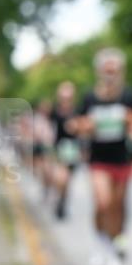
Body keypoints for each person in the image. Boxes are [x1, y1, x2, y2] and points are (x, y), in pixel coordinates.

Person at [71, 48, 132, 265]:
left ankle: (116, 243)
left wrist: (131, 122)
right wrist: (86, 125)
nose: (111, 75)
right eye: (107, 70)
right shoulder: (90, 97)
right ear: (99, 71)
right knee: (103, 202)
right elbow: (75, 124)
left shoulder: (128, 95)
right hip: (98, 159)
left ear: (121, 71)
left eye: (114, 71)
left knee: (118, 206)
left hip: (123, 159)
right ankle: (101, 243)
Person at [50, 81, 81, 220]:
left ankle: (62, 202)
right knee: (60, 178)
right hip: (58, 148)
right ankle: (59, 199)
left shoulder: (77, 111)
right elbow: (49, 129)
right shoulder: (54, 112)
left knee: (67, 180)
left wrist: (76, 127)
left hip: (73, 148)